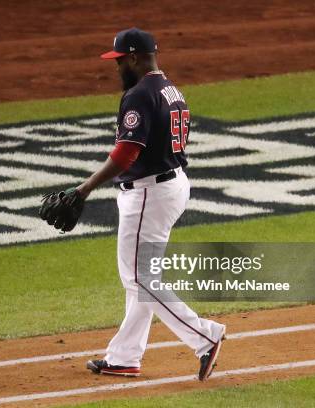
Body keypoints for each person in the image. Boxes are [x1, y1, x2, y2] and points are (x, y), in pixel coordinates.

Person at [76, 28, 226, 381]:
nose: (116, 69)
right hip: (169, 185)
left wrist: (83, 189)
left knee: (141, 278)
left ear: (133, 57)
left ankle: (205, 337)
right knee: (140, 278)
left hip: (149, 193)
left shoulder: (140, 94)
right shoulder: (169, 87)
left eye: (118, 61)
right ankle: (124, 356)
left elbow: (127, 153)